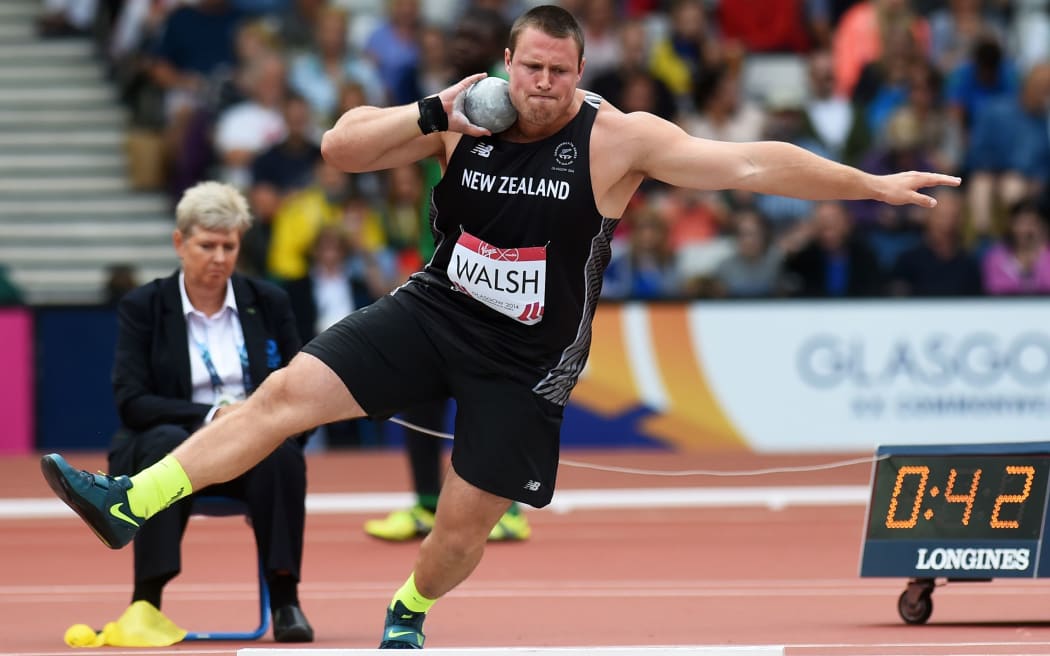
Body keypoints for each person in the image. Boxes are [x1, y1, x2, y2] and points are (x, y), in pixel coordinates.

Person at [41, 5, 960, 649]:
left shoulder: (615, 139)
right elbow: (339, 148)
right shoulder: (463, 115)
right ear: (508, 65)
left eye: (562, 73)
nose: (546, 87)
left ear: (580, 74)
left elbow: (755, 165)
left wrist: (871, 185)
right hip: (435, 309)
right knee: (282, 395)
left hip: (527, 361)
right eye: (533, 70)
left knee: (461, 531)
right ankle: (132, 502)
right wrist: (437, 108)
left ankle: (408, 608)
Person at [104, 181, 314, 643]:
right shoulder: (145, 306)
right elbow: (132, 401)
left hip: (252, 452)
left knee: (280, 451)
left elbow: (302, 388)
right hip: (173, 445)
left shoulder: (269, 302)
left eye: (229, 245)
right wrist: (215, 416)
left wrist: (259, 426)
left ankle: (286, 600)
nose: (219, 257)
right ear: (180, 242)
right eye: (207, 245)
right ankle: (147, 601)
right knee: (161, 444)